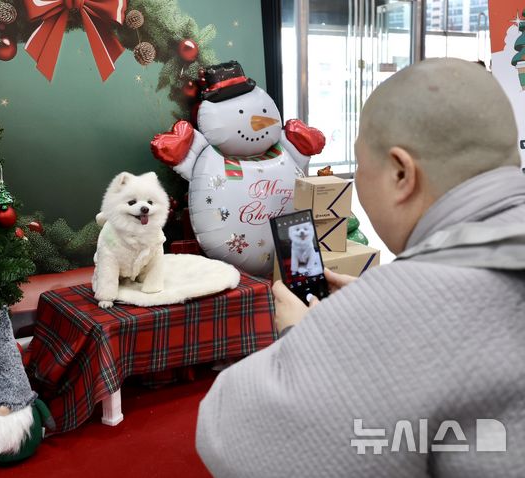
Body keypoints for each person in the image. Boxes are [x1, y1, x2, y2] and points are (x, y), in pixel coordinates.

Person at [196, 58, 525, 477]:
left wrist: (308, 335)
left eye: (362, 167)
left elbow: (225, 433)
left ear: (402, 173)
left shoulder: (396, 306)